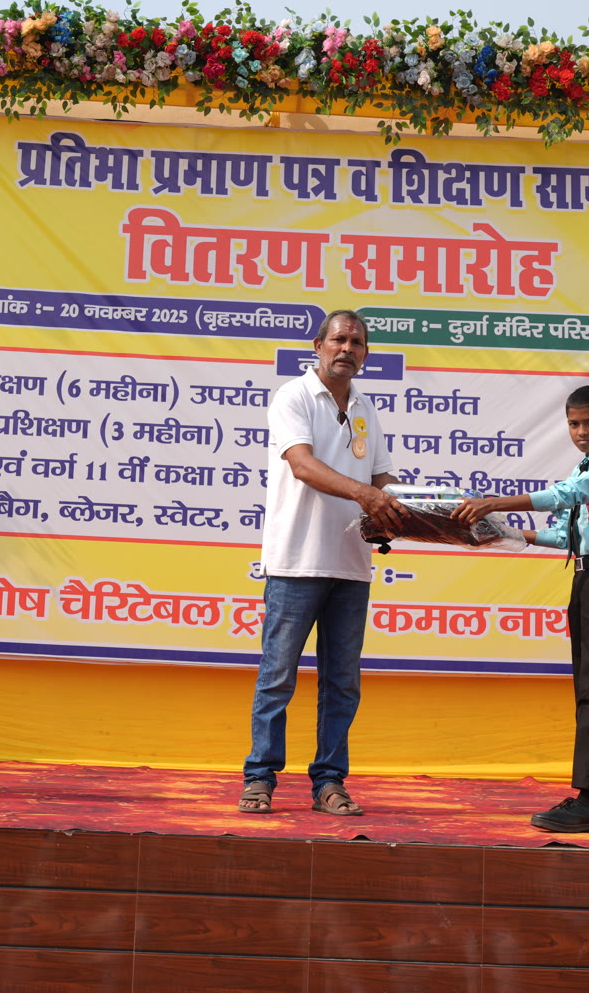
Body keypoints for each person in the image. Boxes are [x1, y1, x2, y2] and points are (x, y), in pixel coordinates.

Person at [238, 310, 407, 817]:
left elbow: (381, 476)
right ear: (318, 345)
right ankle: (260, 778)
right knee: (278, 677)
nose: (347, 349)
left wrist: (411, 508)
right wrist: (368, 496)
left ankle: (330, 782)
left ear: (366, 354)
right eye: (339, 339)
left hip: (351, 564)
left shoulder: (365, 407)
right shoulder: (293, 396)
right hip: (296, 561)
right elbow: (303, 465)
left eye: (357, 342)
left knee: (342, 683)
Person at [454, 385, 589, 833]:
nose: (581, 431)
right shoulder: (585, 466)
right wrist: (502, 531)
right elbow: (563, 535)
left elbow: (567, 494)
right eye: (574, 424)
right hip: (587, 578)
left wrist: (494, 502)